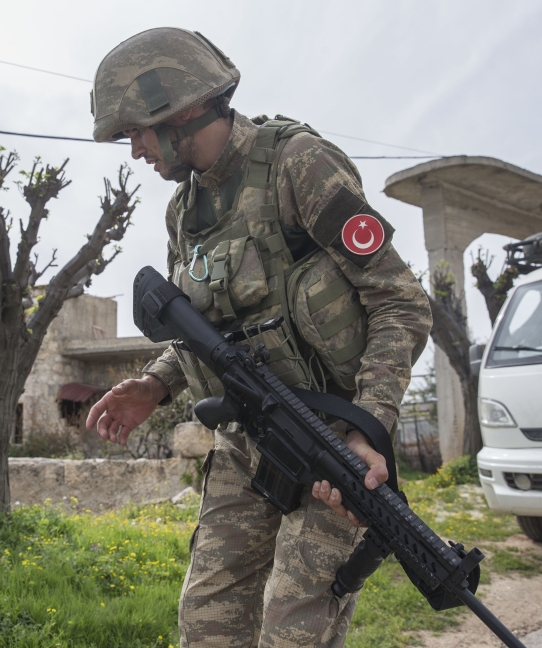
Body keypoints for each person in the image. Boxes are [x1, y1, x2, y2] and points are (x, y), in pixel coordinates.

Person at [87, 29, 432, 647]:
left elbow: (400, 301)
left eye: (136, 130)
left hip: (333, 444)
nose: (135, 149)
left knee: (293, 629)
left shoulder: (298, 164)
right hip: (247, 442)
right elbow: (209, 329)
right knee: (207, 622)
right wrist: (156, 383)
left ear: (183, 110)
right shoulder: (182, 211)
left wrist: (369, 427)